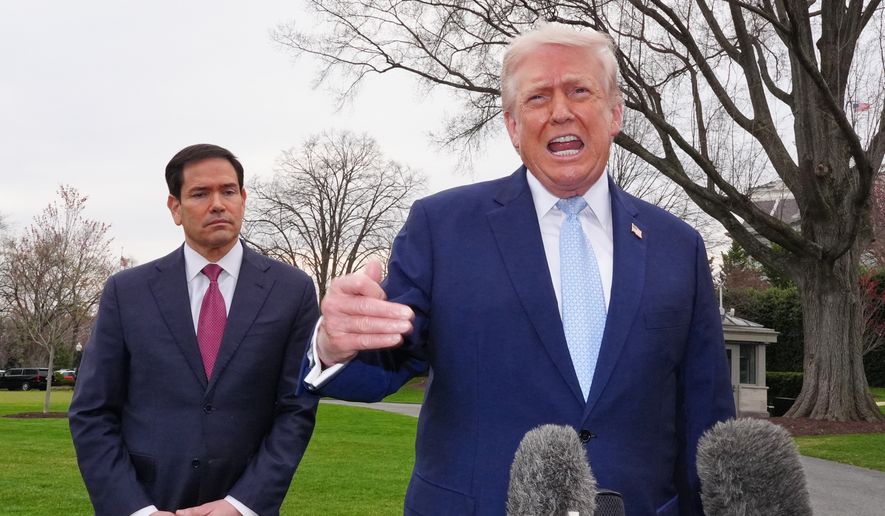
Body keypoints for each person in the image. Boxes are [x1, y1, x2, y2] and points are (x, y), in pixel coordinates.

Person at [303, 23, 735, 516]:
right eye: (537, 98)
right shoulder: (441, 227)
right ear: (512, 126)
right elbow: (380, 368)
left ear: (615, 112)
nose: (560, 111)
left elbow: (707, 416)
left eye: (579, 90)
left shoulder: (677, 246)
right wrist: (332, 345)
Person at [70, 144, 319, 516]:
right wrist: (136, 510)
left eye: (228, 191)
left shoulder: (293, 290)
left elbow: (295, 409)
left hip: (243, 502)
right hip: (151, 500)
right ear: (175, 208)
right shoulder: (127, 292)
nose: (218, 203)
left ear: (243, 199)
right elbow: (92, 412)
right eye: (200, 193)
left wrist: (242, 504)